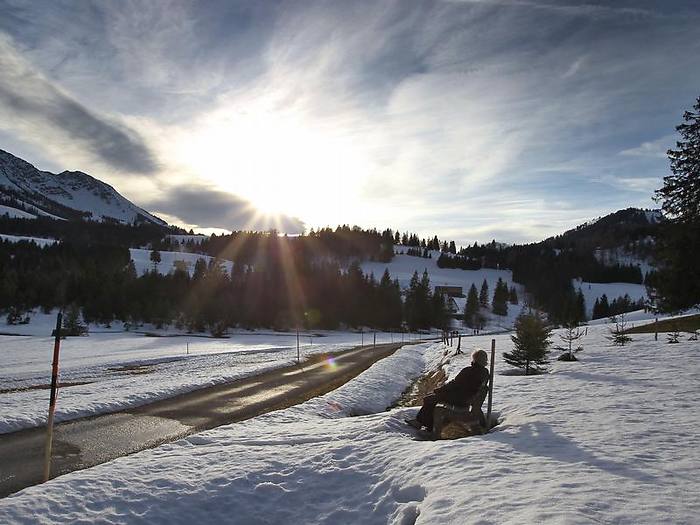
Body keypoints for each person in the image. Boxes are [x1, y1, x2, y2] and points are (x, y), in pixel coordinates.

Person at [408, 349, 490, 432]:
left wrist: (439, 390)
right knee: (433, 398)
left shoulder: (468, 371)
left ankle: (421, 423)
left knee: (429, 399)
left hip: (458, 398)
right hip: (465, 398)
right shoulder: (485, 373)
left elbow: (454, 384)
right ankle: (427, 424)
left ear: (474, 359)